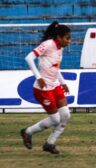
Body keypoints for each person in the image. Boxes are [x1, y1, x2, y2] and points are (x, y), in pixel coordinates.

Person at [20, 21, 72, 154]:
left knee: (65, 114)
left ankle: (50, 143)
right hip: (42, 89)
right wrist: (39, 77)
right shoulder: (47, 45)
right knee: (55, 119)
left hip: (54, 86)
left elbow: (55, 67)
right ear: (59, 37)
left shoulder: (60, 48)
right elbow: (29, 58)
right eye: (67, 38)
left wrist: (62, 82)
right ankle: (27, 132)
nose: (69, 41)